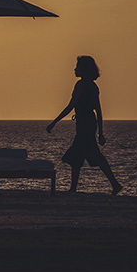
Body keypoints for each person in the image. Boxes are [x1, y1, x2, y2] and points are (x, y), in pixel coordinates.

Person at [47, 55, 123, 194]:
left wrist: (54, 122)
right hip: (88, 122)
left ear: (83, 69)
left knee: (92, 154)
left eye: (77, 67)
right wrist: (100, 132)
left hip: (85, 124)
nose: (74, 69)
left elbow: (71, 106)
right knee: (77, 155)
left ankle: (115, 184)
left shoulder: (81, 85)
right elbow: (99, 111)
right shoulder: (93, 86)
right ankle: (74, 188)